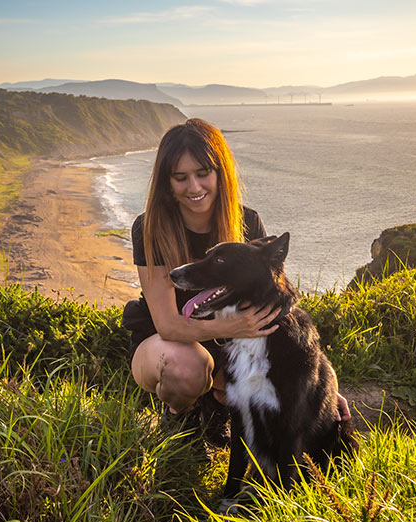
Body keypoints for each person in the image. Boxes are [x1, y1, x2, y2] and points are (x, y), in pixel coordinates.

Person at [122, 118, 350, 441]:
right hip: (164, 344)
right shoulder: (150, 228)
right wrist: (232, 328)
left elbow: (282, 310)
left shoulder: (247, 222)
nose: (195, 188)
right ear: (167, 182)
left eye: (203, 174)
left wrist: (324, 384)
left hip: (227, 352)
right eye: (181, 178)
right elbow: (169, 325)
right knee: (187, 367)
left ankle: (215, 412)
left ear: (220, 173)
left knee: (240, 374)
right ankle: (180, 419)